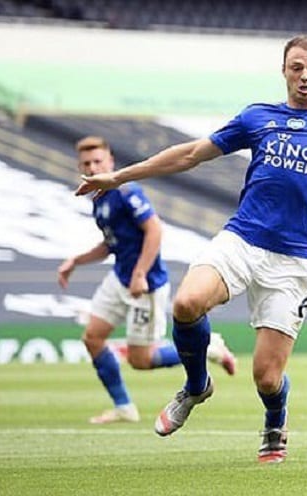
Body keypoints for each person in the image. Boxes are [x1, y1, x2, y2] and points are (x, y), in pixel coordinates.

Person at [74, 36, 307, 463]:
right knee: (186, 303)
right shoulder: (258, 117)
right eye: (297, 66)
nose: (305, 75)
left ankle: (275, 419)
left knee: (266, 377)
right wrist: (117, 177)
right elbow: (189, 154)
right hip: (242, 239)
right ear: (284, 71)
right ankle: (196, 385)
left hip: (293, 261)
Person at [60, 136, 237, 425]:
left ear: (110, 162)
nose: (92, 168)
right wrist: (75, 262)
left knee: (140, 360)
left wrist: (140, 273)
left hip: (146, 285)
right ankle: (123, 407)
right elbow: (110, 244)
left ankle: (208, 348)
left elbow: (154, 230)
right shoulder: (98, 200)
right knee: (92, 337)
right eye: (86, 163)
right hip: (120, 278)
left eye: (98, 162)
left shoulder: (127, 191)